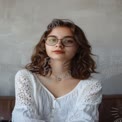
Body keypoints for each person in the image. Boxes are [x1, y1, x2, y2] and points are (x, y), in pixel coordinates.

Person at [12, 19, 102, 122]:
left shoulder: (91, 86)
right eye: (52, 39)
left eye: (68, 41)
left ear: (79, 47)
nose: (59, 45)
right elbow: (22, 118)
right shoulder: (25, 77)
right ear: (44, 44)